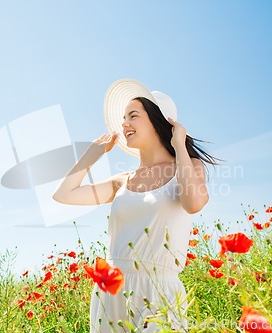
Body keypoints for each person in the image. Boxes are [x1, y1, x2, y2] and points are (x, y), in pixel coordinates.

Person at [53, 79, 221, 332]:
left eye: (133, 115)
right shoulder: (124, 180)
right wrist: (91, 155)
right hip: (112, 290)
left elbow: (194, 203)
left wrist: (179, 147)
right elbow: (64, 194)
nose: (124, 124)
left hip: (159, 291)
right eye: (123, 117)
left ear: (159, 122)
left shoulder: (187, 167)